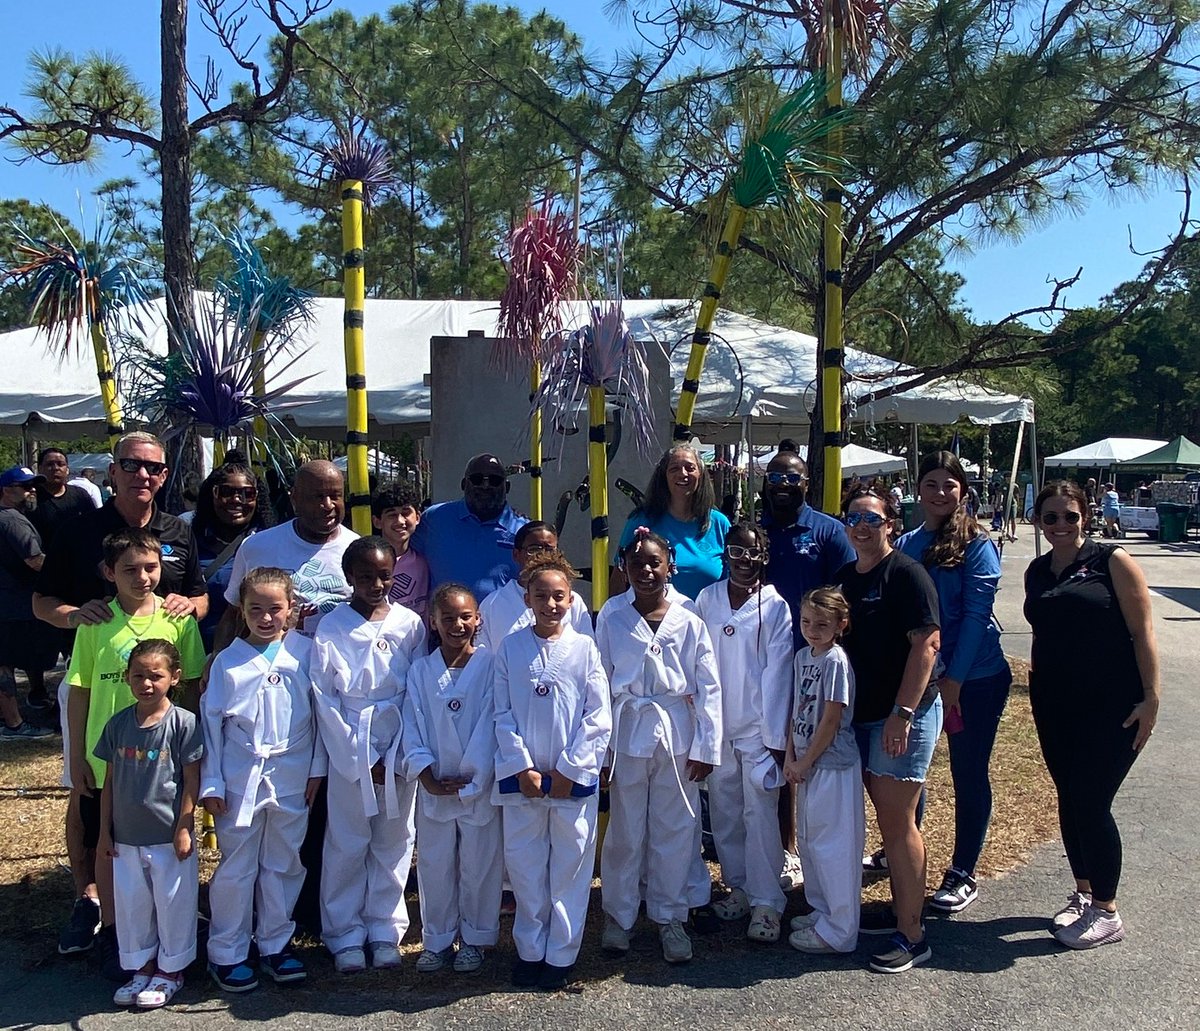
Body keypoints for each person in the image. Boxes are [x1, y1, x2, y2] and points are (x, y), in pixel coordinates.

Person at [34, 432, 207, 968]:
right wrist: (76, 616)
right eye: (131, 465)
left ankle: (163, 917)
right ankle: (93, 903)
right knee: (90, 804)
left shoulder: (178, 529)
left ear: (162, 475)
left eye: (153, 468)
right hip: (100, 680)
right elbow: (43, 600)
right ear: (114, 471)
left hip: (161, 697)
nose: (143, 475)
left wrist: (191, 605)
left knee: (156, 810)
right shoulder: (80, 529)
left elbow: (199, 595)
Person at [64, 528, 206, 979]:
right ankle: (115, 934)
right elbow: (80, 692)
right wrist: (76, 756)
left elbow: (194, 691)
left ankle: (172, 944)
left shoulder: (177, 619)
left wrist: (195, 756)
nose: (143, 577)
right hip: (108, 759)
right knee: (111, 851)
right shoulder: (94, 623)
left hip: (161, 762)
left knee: (165, 851)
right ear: (109, 573)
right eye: (129, 569)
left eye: (151, 568)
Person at [1024, 481, 1160, 949]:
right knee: (1069, 795)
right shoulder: (1038, 571)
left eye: (1070, 516)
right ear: (1038, 521)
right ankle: (1083, 893)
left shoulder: (1112, 561)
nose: (1061, 525)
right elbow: (1042, 634)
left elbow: (1143, 633)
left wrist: (1151, 698)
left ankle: (1107, 910)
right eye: (1051, 517)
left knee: (1090, 800)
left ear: (1086, 516)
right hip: (1055, 702)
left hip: (1113, 703)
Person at [597, 529, 722, 965]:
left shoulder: (688, 618)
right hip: (628, 731)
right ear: (624, 568)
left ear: (670, 566)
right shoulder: (611, 616)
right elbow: (599, 685)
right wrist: (602, 751)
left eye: (655, 563)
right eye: (637, 563)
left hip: (677, 734)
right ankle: (619, 915)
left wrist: (707, 745)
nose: (646, 571)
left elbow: (708, 684)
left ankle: (671, 916)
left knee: (675, 828)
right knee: (626, 830)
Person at [897, 452, 1012, 913]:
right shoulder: (906, 542)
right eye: (931, 484)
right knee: (910, 771)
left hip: (975, 678)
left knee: (967, 771)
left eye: (950, 484)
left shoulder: (978, 544)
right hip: (920, 677)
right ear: (918, 489)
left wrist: (954, 679)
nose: (940, 493)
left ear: (963, 490)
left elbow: (976, 616)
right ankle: (904, 846)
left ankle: (963, 870)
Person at [201, 568, 324, 993]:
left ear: (292, 609)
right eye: (256, 609)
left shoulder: (306, 654)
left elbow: (321, 715)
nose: (266, 618)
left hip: (291, 774)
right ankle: (228, 951)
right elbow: (212, 725)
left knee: (284, 862)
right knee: (237, 866)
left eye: (275, 609)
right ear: (242, 610)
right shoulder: (227, 663)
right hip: (240, 778)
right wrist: (212, 782)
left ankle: (275, 943)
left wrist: (317, 769)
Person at [835, 486, 941, 974]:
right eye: (854, 517)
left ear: (891, 525)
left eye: (872, 519)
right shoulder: (845, 579)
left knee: (898, 825)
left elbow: (927, 646)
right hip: (860, 717)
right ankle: (901, 911)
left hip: (900, 717)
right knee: (882, 820)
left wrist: (902, 713)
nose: (861, 526)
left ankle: (913, 934)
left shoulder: (906, 574)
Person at [493, 551, 611, 990]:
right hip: (524, 781)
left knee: (570, 868)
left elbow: (598, 716)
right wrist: (523, 767)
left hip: (569, 783)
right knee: (525, 869)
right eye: (541, 595)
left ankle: (561, 954)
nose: (551, 604)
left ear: (571, 599)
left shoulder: (584, 648)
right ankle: (529, 949)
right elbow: (500, 712)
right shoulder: (511, 647)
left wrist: (571, 768)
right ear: (527, 599)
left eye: (559, 595)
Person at [310, 536, 426, 973]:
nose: (375, 584)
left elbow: (416, 688)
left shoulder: (409, 623)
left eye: (383, 575)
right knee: (347, 839)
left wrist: (399, 752)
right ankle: (343, 933)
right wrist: (358, 757)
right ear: (348, 579)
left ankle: (384, 928)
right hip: (351, 743)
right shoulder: (332, 626)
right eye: (365, 577)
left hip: (397, 740)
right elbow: (324, 696)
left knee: (395, 840)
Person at [695, 522, 793, 943]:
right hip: (718, 728)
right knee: (726, 812)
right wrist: (703, 727)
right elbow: (696, 663)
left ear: (764, 558)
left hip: (757, 732)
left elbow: (778, 674)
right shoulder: (707, 599)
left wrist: (774, 739)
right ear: (725, 554)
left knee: (761, 813)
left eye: (753, 553)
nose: (744, 560)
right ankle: (739, 888)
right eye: (737, 551)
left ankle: (768, 901)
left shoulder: (774, 607)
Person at [95, 639, 202, 1009]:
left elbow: (191, 781)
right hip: (126, 838)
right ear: (127, 678)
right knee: (133, 905)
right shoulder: (118, 724)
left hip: (168, 836)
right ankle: (142, 965)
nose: (146, 684)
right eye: (138, 675)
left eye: (155, 676)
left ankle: (172, 969)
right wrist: (105, 831)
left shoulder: (184, 724)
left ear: (174, 677)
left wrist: (185, 827)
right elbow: (109, 782)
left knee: (172, 903)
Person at [403, 583, 500, 975]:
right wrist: (425, 772)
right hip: (435, 786)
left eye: (465, 617)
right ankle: (438, 939)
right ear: (433, 622)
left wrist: (474, 775)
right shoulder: (421, 670)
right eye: (448, 618)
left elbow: (493, 723)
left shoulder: (492, 666)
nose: (458, 625)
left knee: (480, 864)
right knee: (435, 865)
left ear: (478, 619)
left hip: (478, 787)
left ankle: (476, 939)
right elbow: (413, 723)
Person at [784, 587, 862, 956]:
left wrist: (806, 760)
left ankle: (841, 928)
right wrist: (790, 756)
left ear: (840, 625)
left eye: (821, 624)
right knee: (812, 841)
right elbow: (796, 707)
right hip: (805, 764)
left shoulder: (835, 661)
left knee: (834, 845)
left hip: (831, 764)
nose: (812, 630)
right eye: (806, 622)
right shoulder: (803, 657)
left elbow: (830, 720)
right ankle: (823, 910)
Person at [216, 460, 358, 644]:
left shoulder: (358, 550)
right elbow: (234, 613)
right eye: (317, 496)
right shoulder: (256, 546)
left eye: (335, 495)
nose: (328, 504)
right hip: (276, 668)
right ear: (295, 499)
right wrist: (217, 657)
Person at [759, 447, 855, 647]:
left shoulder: (831, 531)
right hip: (763, 650)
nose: (783, 484)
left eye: (793, 478)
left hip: (813, 651)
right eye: (774, 478)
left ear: (806, 484)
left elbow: (847, 595)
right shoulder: (755, 534)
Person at [611, 444, 731, 601]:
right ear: (664, 476)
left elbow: (732, 580)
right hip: (651, 622)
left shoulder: (719, 523)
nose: (682, 474)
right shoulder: (641, 521)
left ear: (701, 474)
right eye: (674, 468)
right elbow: (619, 577)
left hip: (709, 622)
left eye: (690, 468)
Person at [411, 453, 527, 602]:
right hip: (445, 624)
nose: (486, 486)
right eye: (477, 479)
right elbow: (404, 555)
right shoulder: (434, 518)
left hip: (503, 624)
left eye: (495, 480)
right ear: (464, 484)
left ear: (508, 487)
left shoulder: (523, 531)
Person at [191, 456, 271, 652]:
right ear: (212, 495)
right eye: (226, 492)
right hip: (193, 653)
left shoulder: (270, 545)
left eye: (247, 493)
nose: (237, 500)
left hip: (250, 657)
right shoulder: (189, 540)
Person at [0, 465, 57, 732]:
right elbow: (35, 560)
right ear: (6, 491)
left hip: (12, 602)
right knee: (4, 662)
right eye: (25, 486)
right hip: (11, 606)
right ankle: (13, 724)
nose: (32, 490)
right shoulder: (11, 520)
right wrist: (67, 571)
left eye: (33, 485)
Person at [477, 521, 592, 651]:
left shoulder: (572, 601)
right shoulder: (493, 604)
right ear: (516, 554)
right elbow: (482, 657)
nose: (542, 555)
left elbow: (587, 652)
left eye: (549, 550)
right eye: (533, 549)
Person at [372, 482, 430, 621]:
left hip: (419, 640)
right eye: (391, 514)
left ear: (417, 517)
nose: (400, 521)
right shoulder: (368, 563)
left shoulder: (425, 561)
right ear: (377, 522)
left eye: (405, 513)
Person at [29, 448, 98, 548]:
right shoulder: (31, 495)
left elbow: (93, 526)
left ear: (67, 470)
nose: (56, 468)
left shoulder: (80, 495)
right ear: (40, 469)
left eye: (60, 464)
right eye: (50, 464)